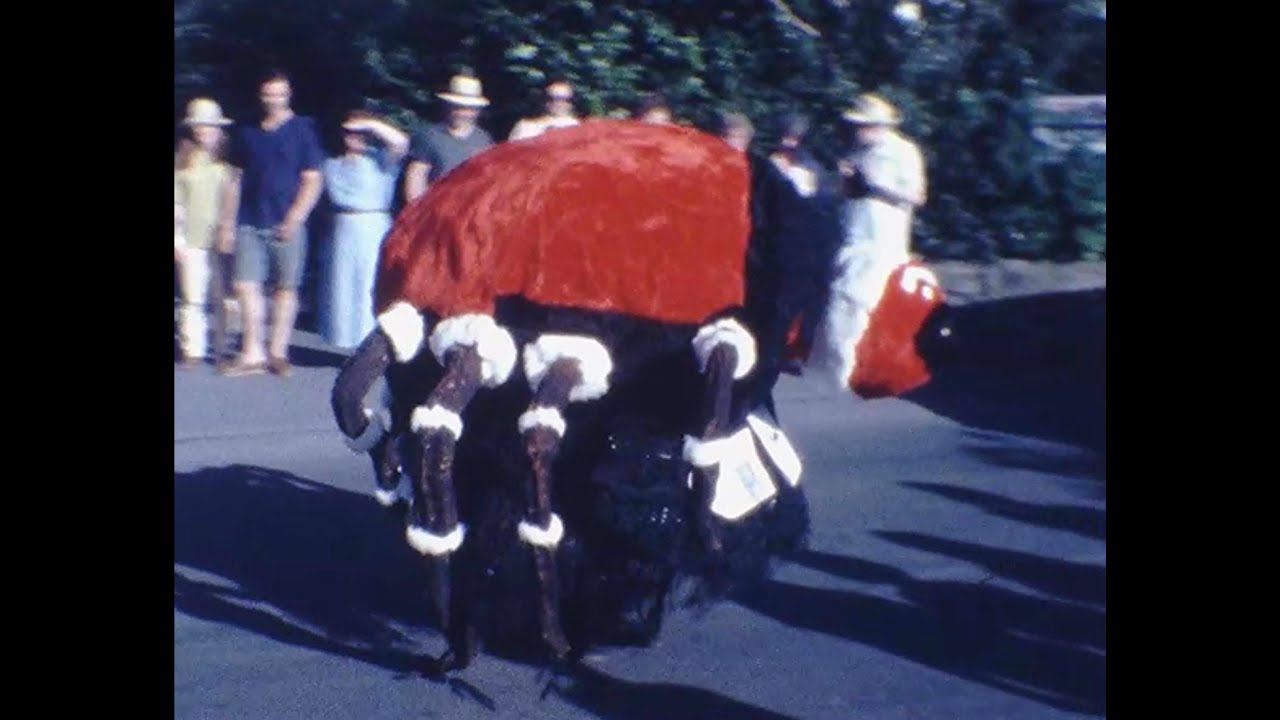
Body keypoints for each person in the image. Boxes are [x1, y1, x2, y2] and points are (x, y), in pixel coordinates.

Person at [219, 69, 325, 377]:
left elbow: (313, 178)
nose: (273, 99)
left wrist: (295, 216)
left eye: (279, 93)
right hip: (250, 219)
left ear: (288, 94)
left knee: (285, 288)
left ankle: (277, 352)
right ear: (260, 95)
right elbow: (235, 179)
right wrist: (227, 223)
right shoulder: (248, 131)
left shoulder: (303, 129)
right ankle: (252, 351)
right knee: (244, 284)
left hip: (288, 221)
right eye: (268, 93)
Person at [321, 111, 409, 349]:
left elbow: (401, 142)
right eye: (350, 132)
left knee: (370, 284)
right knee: (342, 287)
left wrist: (371, 124)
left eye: (360, 133)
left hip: (373, 226)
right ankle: (347, 345)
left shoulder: (381, 160)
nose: (355, 137)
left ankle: (372, 344)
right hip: (342, 227)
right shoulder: (331, 163)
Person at [174, 97, 235, 369]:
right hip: (192, 239)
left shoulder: (227, 160)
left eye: (209, 126)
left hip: (221, 237)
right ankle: (192, 350)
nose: (203, 131)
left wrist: (229, 229)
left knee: (221, 297)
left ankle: (221, 349)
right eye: (199, 126)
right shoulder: (182, 160)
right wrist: (177, 239)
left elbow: (234, 197)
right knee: (192, 297)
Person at [836, 93, 927, 265]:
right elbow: (844, 196)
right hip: (854, 237)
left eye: (863, 126)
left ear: (879, 126)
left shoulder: (903, 151)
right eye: (856, 126)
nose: (858, 131)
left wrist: (876, 184)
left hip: (885, 244)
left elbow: (917, 197)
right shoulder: (855, 151)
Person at [403, 73, 495, 203]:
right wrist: (418, 212)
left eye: (469, 108)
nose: (463, 113)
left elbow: (489, 180)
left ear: (477, 110)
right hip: (437, 211)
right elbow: (416, 177)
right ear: (448, 106)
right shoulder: (429, 136)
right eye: (457, 107)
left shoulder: (484, 139)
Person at [508, 79, 581, 141]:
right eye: (552, 98)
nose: (558, 103)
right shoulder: (525, 127)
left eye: (565, 99)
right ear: (543, 100)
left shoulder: (578, 128)